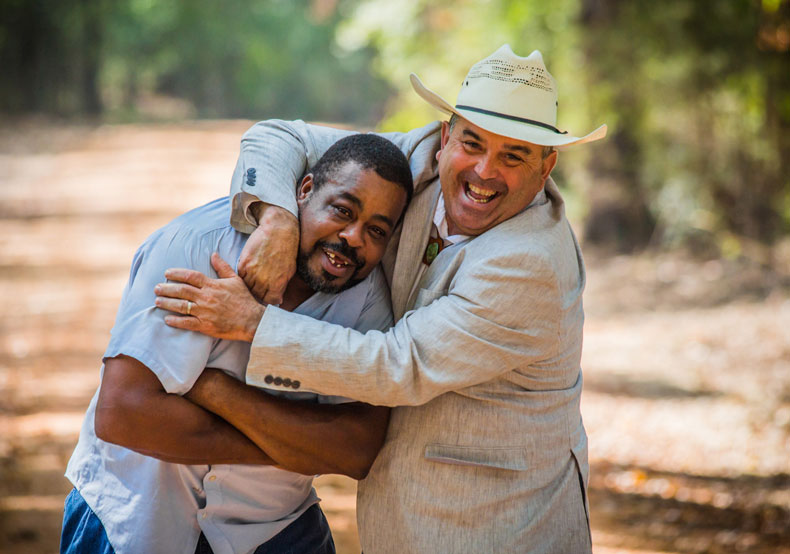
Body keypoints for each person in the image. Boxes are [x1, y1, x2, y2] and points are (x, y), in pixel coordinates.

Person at [156, 45, 607, 553]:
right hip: (400, 517)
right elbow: (277, 136)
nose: (484, 170)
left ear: (546, 168)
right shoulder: (417, 159)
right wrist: (278, 219)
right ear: (445, 139)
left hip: (501, 525)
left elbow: (399, 363)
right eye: (473, 143)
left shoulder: (531, 263)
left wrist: (251, 327)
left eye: (514, 155)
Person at [61, 134, 414, 554]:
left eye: (376, 230)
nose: (353, 237)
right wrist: (294, 449)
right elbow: (123, 415)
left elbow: (355, 450)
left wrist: (213, 389)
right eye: (342, 210)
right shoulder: (196, 244)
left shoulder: (370, 301)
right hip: (133, 518)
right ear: (305, 190)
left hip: (276, 531)